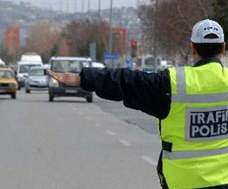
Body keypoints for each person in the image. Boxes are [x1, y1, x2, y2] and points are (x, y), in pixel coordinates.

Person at [48, 19, 228, 189]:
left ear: (193, 48)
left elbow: (128, 82)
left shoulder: (173, 83)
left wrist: (83, 79)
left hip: (183, 183)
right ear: (223, 48)